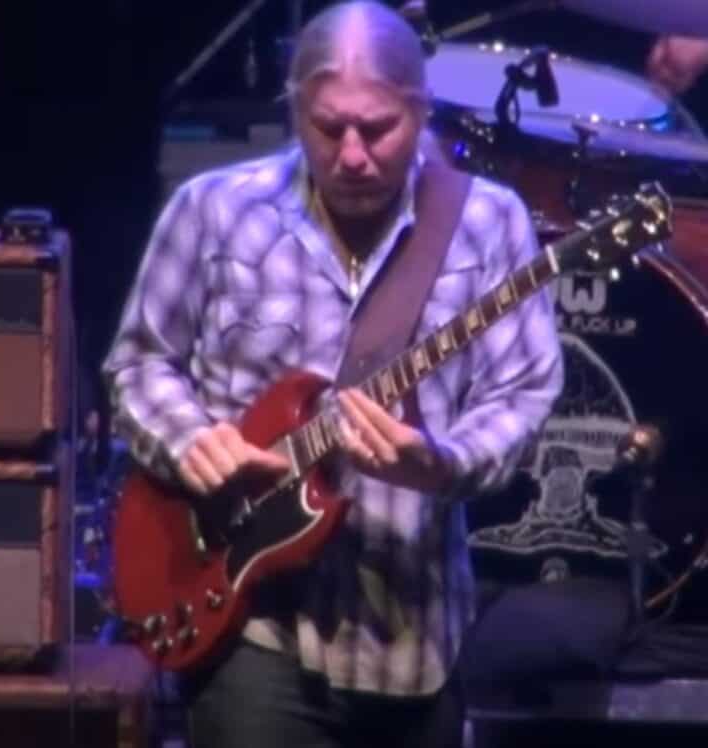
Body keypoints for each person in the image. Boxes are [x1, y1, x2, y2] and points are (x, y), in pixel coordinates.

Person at [103, 2, 564, 747]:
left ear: (420, 112)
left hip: (413, 639)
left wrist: (440, 462)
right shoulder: (214, 212)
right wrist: (192, 440)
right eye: (328, 128)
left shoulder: (488, 224)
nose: (353, 154)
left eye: (378, 128)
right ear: (294, 108)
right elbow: (140, 362)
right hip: (251, 624)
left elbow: (524, 390)